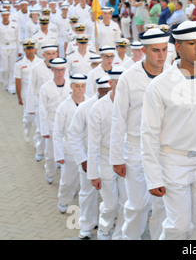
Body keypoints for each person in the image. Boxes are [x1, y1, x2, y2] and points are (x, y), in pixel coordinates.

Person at [141, 20, 196, 239]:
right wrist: (153, 177)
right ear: (178, 47)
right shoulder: (160, 85)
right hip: (173, 162)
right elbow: (149, 134)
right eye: (191, 43)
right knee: (178, 226)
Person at [109, 28, 170, 240]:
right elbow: (118, 119)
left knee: (163, 205)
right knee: (137, 206)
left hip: (165, 150)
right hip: (136, 148)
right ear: (143, 50)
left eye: (164, 49)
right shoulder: (128, 78)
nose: (161, 55)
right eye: (155, 51)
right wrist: (116, 157)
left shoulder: (173, 74)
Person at [68, 75, 112, 239]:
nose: (110, 94)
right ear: (99, 90)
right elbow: (74, 135)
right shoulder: (86, 107)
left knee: (111, 195)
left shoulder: (118, 105)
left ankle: (105, 225)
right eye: (106, 91)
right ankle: (86, 225)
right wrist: (83, 159)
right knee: (87, 193)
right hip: (89, 157)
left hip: (109, 159)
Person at [87, 66, 127, 240]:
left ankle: (120, 234)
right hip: (105, 159)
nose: (120, 87)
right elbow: (93, 144)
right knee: (110, 204)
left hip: (126, 159)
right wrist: (93, 173)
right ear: (110, 83)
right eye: (117, 83)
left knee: (127, 204)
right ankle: (104, 229)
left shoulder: (132, 105)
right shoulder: (98, 108)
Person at [53, 73, 87, 214]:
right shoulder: (64, 107)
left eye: (82, 86)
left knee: (85, 181)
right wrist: (59, 153)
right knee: (67, 179)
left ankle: (84, 209)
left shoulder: (90, 103)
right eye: (77, 86)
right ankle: (64, 200)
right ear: (71, 86)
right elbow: (57, 132)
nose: (80, 89)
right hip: (70, 149)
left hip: (86, 149)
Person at [39, 58, 72, 185]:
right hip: (52, 123)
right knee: (51, 153)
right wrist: (44, 130)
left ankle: (67, 182)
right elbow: (42, 111)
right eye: (57, 70)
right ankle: (50, 172)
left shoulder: (71, 85)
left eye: (62, 70)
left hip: (68, 124)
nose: (60, 73)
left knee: (67, 154)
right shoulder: (45, 88)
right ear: (52, 70)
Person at [26, 44, 59, 163]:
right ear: (43, 55)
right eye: (48, 54)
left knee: (56, 131)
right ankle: (40, 151)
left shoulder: (60, 67)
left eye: (53, 53)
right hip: (40, 103)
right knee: (40, 129)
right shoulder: (36, 68)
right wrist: (29, 108)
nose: (51, 56)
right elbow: (31, 88)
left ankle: (57, 155)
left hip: (55, 103)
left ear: (57, 54)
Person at [14, 39, 40, 142]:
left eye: (32, 48)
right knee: (28, 117)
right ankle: (27, 130)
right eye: (28, 49)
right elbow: (18, 80)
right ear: (25, 49)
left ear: (35, 49)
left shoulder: (40, 62)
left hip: (37, 92)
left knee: (38, 117)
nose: (30, 51)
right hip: (26, 92)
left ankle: (36, 139)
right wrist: (19, 96)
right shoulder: (19, 63)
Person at [0, 8, 21, 94]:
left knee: (12, 67)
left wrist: (20, 49)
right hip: (2, 47)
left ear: (9, 15)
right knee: (4, 68)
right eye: (4, 15)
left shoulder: (14, 25)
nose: (5, 17)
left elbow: (18, 37)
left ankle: (11, 86)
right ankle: (5, 83)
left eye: (7, 15)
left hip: (13, 47)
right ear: (1, 16)